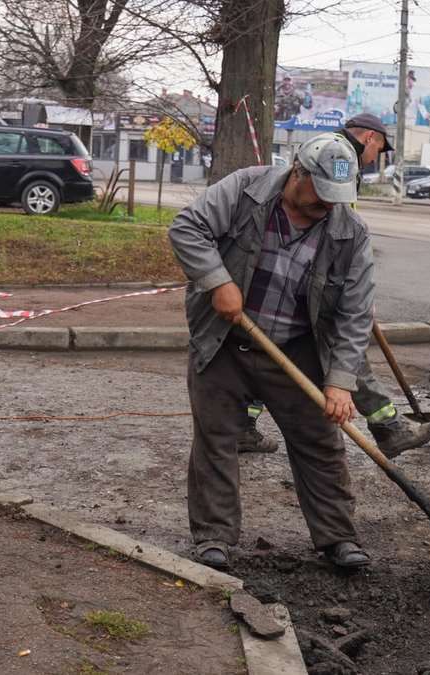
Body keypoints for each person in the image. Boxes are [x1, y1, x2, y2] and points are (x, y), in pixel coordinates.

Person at [169, 133, 375, 570]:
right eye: (321, 193)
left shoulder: (349, 232)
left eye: (338, 197)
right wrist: (218, 280)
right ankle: (214, 539)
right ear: (297, 173)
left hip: (296, 346)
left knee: (320, 442)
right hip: (225, 340)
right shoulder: (247, 190)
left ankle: (338, 537)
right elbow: (187, 227)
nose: (329, 205)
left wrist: (339, 383)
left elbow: (355, 315)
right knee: (217, 439)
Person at [237, 113, 430, 458]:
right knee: (342, 352)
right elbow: (333, 224)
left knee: (269, 346)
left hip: (315, 277)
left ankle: (243, 426)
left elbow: (344, 224)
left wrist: (356, 289)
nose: (378, 157)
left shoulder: (332, 155)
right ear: (371, 139)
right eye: (380, 149)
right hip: (315, 281)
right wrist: (347, 289)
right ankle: (389, 428)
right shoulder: (339, 159)